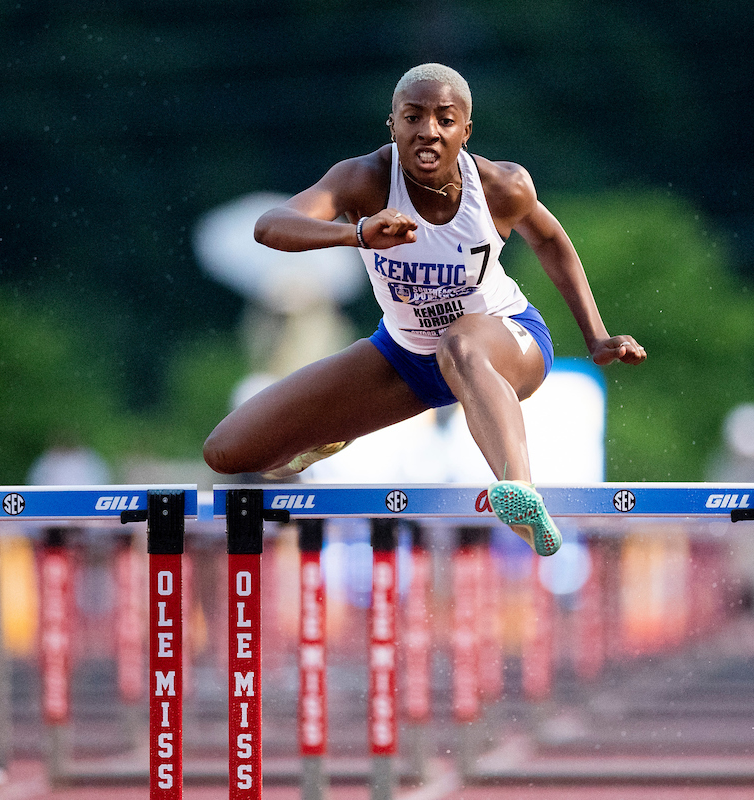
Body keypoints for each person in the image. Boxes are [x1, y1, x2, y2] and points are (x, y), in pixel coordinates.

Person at [203, 63, 647, 556]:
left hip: (505, 342)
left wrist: (595, 336)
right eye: (413, 117)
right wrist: (356, 234)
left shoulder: (501, 185)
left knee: (460, 342)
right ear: (392, 126)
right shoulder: (364, 179)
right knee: (229, 451)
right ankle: (336, 433)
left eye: (445, 118)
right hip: (405, 356)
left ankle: (519, 493)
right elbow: (271, 225)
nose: (428, 131)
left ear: (465, 130)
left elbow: (549, 240)